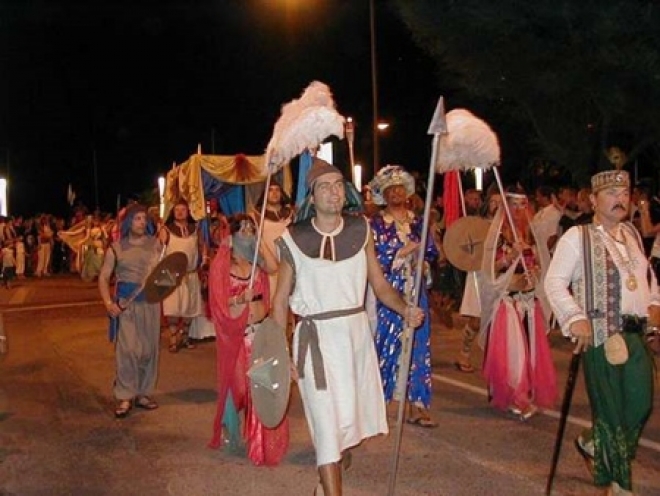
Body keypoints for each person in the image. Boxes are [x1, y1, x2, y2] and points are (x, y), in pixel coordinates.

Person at [271, 158, 425, 496]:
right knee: (326, 427)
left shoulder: (361, 230)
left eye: (338, 185)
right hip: (315, 342)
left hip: (354, 339)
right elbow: (280, 300)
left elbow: (380, 286)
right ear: (311, 197)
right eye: (324, 187)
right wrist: (281, 353)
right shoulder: (293, 238)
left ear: (347, 192)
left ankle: (330, 470)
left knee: (345, 427)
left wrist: (405, 309)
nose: (333, 192)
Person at [545, 170, 658, 495]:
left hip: (636, 336)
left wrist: (655, 304)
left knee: (640, 406)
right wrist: (574, 317)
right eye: (611, 193)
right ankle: (619, 485)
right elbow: (554, 282)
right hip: (601, 334)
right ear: (593, 200)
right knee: (610, 412)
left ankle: (593, 444)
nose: (620, 199)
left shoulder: (633, 235)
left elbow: (648, 279)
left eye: (624, 193)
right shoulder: (577, 237)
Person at [207, 214, 288, 465]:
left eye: (250, 229)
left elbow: (275, 267)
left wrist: (260, 238)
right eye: (242, 229)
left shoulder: (258, 263)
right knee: (237, 387)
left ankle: (258, 443)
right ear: (231, 235)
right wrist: (241, 298)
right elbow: (217, 302)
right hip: (235, 336)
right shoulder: (222, 265)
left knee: (259, 388)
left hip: (259, 332)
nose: (247, 233)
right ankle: (231, 426)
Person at [368, 165, 438, 426]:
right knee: (387, 342)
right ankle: (382, 401)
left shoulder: (418, 222)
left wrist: (422, 259)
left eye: (400, 188)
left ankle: (416, 404)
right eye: (390, 190)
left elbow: (430, 251)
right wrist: (399, 255)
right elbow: (373, 256)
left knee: (418, 344)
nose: (396, 193)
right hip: (389, 290)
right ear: (383, 195)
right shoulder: (375, 224)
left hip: (415, 287)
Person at [479, 188, 557, 420]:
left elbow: (540, 263)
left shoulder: (531, 235)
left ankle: (526, 393)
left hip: (528, 299)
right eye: (514, 205)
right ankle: (512, 395)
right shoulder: (498, 237)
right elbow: (488, 270)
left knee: (530, 349)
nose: (519, 210)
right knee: (512, 351)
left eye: (523, 205)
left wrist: (534, 271)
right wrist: (510, 257)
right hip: (508, 300)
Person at [98, 204, 163, 419]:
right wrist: (109, 304)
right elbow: (104, 277)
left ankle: (143, 393)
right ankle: (125, 395)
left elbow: (168, 274)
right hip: (126, 305)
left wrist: (162, 279)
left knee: (148, 350)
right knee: (127, 351)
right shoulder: (116, 248)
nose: (142, 222)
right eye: (137, 219)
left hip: (151, 303)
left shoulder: (156, 245)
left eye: (144, 219)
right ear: (128, 222)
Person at [455, 190, 502, 373]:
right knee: (476, 319)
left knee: (498, 320)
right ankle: (464, 353)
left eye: (500, 202)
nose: (496, 205)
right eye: (493, 202)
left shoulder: (508, 227)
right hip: (478, 274)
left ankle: (495, 360)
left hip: (499, 275)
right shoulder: (477, 225)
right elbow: (465, 249)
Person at [158, 199, 207, 352]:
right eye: (177, 209)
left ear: (188, 212)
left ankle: (185, 336)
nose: (180, 212)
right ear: (173, 212)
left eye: (183, 209)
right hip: (172, 274)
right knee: (172, 307)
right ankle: (173, 338)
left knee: (190, 307)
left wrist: (204, 260)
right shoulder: (166, 229)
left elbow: (202, 246)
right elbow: (159, 250)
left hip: (190, 274)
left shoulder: (195, 229)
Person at [250, 181, 293, 303]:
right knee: (273, 305)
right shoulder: (256, 216)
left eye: (277, 190)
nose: (274, 193)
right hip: (268, 270)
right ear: (265, 194)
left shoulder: (292, 214)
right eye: (270, 190)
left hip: (291, 267)